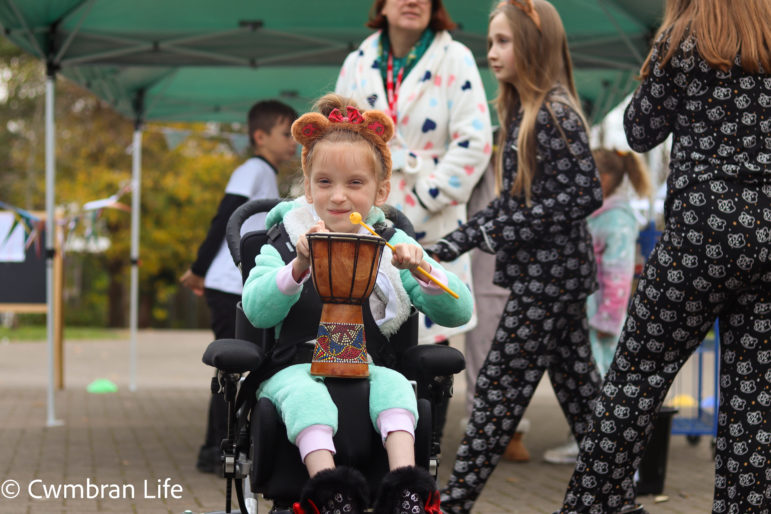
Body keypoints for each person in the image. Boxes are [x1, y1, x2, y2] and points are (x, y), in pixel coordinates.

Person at [560, 0, 771, 512]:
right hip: (767, 231)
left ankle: (590, 504)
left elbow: (640, 130)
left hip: (699, 236)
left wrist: (660, 60)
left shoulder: (684, 36)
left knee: (636, 376)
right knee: (754, 394)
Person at [240, 93, 474, 514]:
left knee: (398, 388)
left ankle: (406, 491)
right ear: (308, 187)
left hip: (368, 363)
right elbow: (257, 309)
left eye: (355, 183)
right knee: (304, 395)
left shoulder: (391, 244)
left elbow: (460, 310)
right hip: (295, 364)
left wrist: (424, 271)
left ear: (381, 189)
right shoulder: (282, 240)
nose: (338, 197)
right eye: (325, 182)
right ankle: (331, 494)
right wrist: (297, 266)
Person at [427, 1, 603, 511]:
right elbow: (515, 201)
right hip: (552, 280)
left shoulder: (553, 112)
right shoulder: (524, 112)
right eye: (490, 43)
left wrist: (501, 229)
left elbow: (583, 194)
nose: (492, 53)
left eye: (503, 41)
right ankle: (613, 495)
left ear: (532, 44)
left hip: (547, 283)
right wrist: (453, 243)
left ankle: (453, 503)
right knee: (582, 397)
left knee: (498, 396)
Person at [335, 0, 493, 345]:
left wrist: (427, 196)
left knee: (429, 333)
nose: (412, 1)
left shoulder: (455, 58)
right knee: (362, 322)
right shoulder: (356, 63)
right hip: (367, 212)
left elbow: (475, 141)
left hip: (432, 213)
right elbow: (338, 138)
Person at [179, 99, 298, 474]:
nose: (293, 141)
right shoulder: (252, 169)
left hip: (238, 284)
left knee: (242, 366)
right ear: (260, 137)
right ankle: (216, 450)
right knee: (233, 366)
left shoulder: (265, 172)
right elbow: (225, 219)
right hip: (227, 284)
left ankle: (220, 447)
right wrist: (198, 269)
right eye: (285, 133)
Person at [543, 148, 652, 465]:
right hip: (586, 315)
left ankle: (593, 446)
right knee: (586, 380)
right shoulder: (598, 213)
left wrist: (607, 320)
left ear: (602, 179)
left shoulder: (617, 220)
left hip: (600, 320)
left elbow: (619, 275)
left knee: (597, 380)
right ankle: (587, 442)